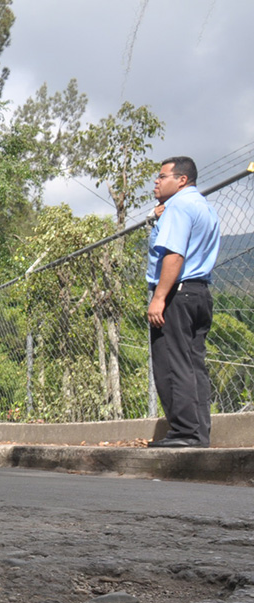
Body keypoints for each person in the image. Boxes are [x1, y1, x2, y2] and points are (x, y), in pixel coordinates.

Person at [146, 156, 220, 448]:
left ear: (182, 180)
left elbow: (174, 255)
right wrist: (156, 218)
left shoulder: (178, 207)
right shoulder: (204, 207)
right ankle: (199, 433)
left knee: (171, 363)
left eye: (163, 176)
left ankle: (184, 432)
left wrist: (159, 298)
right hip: (200, 293)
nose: (156, 180)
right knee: (192, 363)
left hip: (177, 293)